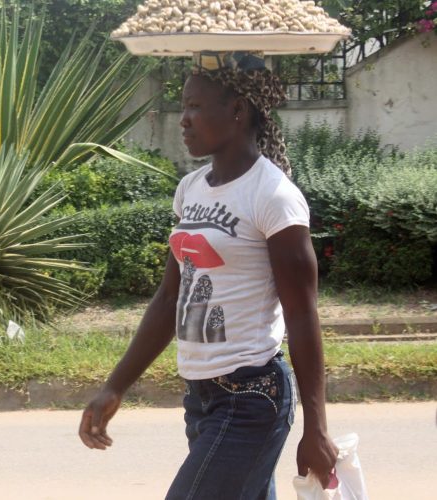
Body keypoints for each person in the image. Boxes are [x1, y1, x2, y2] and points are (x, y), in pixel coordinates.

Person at [78, 51, 338, 500]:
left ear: (237, 110)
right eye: (184, 105)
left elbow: (302, 314)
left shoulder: (273, 197)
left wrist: (316, 428)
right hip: (201, 398)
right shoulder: (191, 189)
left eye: (195, 106)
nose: (184, 119)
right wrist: (115, 386)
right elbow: (169, 299)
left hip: (251, 397)